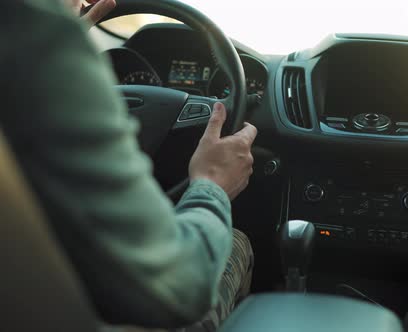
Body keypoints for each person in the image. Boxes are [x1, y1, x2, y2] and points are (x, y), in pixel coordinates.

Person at [0, 0, 257, 331]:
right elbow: (180, 285)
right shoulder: (39, 38)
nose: (84, 3)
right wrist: (212, 185)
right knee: (233, 240)